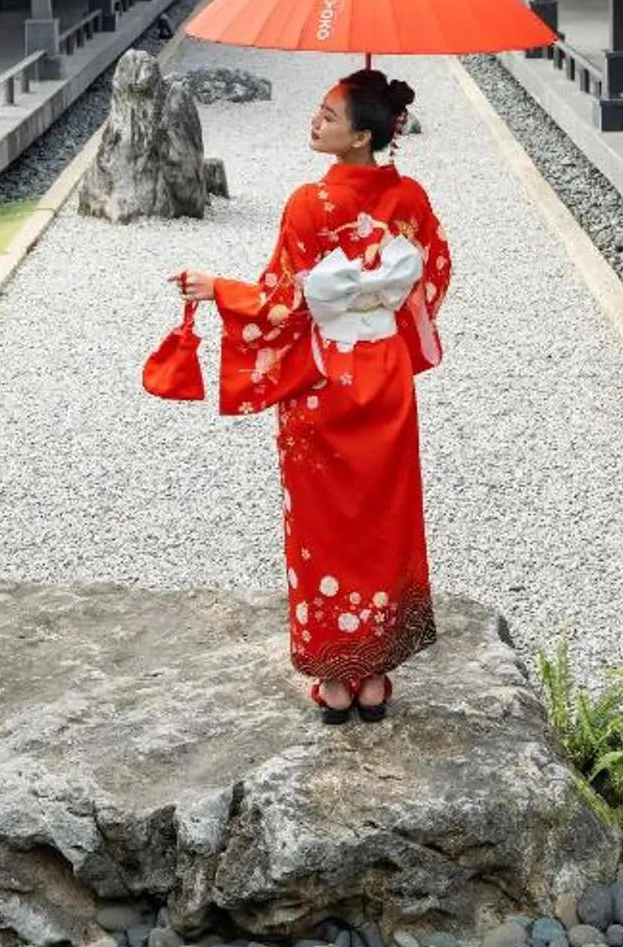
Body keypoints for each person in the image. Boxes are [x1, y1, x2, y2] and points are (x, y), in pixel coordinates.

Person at [171, 69, 452, 724]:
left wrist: (218, 288)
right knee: (386, 516)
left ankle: (334, 675)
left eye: (328, 114)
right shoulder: (409, 198)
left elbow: (284, 301)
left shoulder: (309, 204)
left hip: (324, 380)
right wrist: (384, 314)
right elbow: (434, 272)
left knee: (324, 523)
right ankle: (375, 672)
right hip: (383, 373)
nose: (315, 121)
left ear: (360, 135)